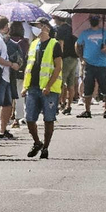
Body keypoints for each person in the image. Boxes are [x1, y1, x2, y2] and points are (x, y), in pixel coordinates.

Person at [22, 18, 63, 159]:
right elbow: (29, 67)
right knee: (29, 118)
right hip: (33, 87)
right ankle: (37, 142)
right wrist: (25, 87)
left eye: (37, 26)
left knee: (49, 118)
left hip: (48, 89)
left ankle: (45, 147)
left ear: (45, 27)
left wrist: (49, 85)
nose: (35, 29)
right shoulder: (33, 44)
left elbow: (58, 67)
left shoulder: (54, 44)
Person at [76, 14, 106, 118]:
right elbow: (77, 44)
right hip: (89, 64)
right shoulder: (84, 33)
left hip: (102, 64)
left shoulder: (105, 33)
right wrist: (81, 58)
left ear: (99, 20)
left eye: (96, 18)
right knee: (88, 88)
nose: (94, 20)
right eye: (92, 18)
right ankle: (87, 110)